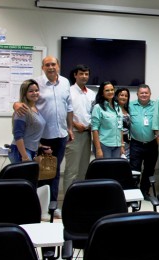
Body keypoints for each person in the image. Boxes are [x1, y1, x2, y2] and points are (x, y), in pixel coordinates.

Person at [14, 56, 73, 218]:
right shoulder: (37, 83)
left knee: (54, 172)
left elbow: (69, 107)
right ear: (43, 67)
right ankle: (39, 207)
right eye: (47, 65)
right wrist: (16, 104)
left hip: (61, 135)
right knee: (40, 174)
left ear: (58, 66)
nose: (51, 67)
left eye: (53, 64)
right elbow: (23, 99)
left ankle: (52, 207)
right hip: (43, 138)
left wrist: (70, 128)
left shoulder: (65, 83)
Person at [9, 79, 51, 221]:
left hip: (30, 150)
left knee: (29, 186)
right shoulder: (22, 110)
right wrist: (25, 157)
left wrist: (40, 146)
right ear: (25, 93)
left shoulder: (35, 109)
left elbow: (31, 133)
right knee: (24, 188)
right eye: (31, 91)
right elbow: (18, 135)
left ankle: (27, 216)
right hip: (20, 151)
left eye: (36, 90)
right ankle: (20, 217)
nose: (34, 93)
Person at [63, 64, 95, 193]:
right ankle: (67, 200)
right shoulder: (68, 91)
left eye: (86, 74)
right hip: (74, 133)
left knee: (83, 169)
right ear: (75, 75)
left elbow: (93, 113)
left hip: (87, 134)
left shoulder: (92, 94)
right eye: (81, 73)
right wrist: (75, 124)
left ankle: (79, 197)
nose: (84, 76)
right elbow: (64, 111)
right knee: (72, 170)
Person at [129, 84, 158, 198]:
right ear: (137, 94)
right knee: (134, 168)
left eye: (146, 93)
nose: (144, 95)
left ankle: (144, 191)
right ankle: (134, 192)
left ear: (150, 94)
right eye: (142, 93)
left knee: (149, 169)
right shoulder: (130, 105)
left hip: (152, 143)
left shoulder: (156, 105)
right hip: (136, 143)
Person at [91, 81, 124, 158]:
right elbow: (95, 129)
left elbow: (120, 128)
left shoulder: (118, 107)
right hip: (104, 145)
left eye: (112, 90)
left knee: (115, 169)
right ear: (102, 93)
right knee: (105, 169)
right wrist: (98, 149)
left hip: (117, 145)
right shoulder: (98, 108)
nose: (110, 92)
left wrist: (122, 145)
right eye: (107, 90)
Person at [115, 87, 131, 158]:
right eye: (121, 95)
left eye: (126, 96)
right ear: (117, 96)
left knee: (126, 164)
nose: (124, 97)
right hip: (117, 141)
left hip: (127, 141)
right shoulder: (113, 109)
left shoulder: (127, 109)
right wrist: (121, 144)